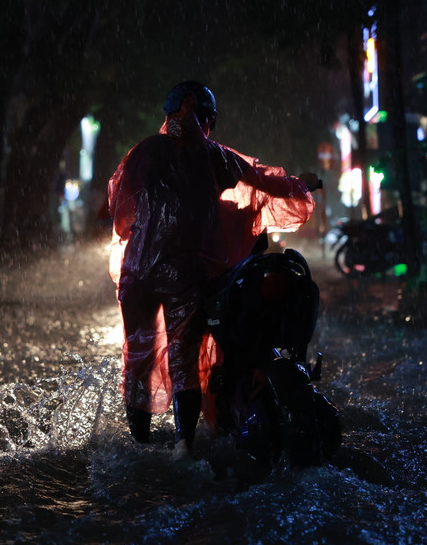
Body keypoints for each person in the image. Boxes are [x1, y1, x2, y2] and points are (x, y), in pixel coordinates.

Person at [107, 81, 320, 457]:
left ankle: (138, 449)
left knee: (138, 358)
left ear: (168, 114)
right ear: (208, 119)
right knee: (184, 360)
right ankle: (183, 446)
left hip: (139, 273)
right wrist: (303, 185)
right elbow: (268, 183)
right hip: (186, 275)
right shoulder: (216, 157)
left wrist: (145, 233)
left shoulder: (143, 153)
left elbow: (122, 215)